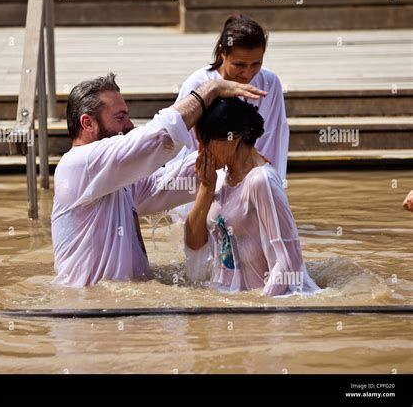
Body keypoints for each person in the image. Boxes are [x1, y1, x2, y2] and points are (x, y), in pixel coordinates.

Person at [51, 73, 266, 287]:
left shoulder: (113, 180)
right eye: (120, 118)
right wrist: (210, 90)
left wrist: (225, 155)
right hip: (93, 313)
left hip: (123, 307)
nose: (130, 125)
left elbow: (161, 185)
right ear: (88, 123)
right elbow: (158, 137)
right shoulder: (77, 165)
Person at [184, 98, 320, 296]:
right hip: (226, 300)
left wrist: (260, 309)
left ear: (233, 138)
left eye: (206, 141)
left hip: (259, 303)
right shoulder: (219, 178)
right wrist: (206, 186)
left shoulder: (261, 180)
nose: (201, 150)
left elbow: (288, 260)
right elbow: (195, 245)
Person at [173, 15, 289, 181]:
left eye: (256, 64)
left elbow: (273, 138)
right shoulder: (198, 85)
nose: (247, 73)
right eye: (239, 65)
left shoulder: (270, 83)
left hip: (253, 176)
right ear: (223, 52)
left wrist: (272, 182)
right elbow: (186, 144)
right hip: (201, 178)